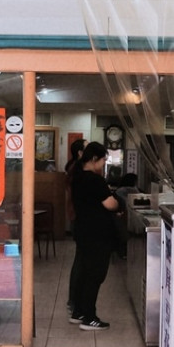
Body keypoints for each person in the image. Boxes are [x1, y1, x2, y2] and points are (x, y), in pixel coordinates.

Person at [70, 141, 120, 331]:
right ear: (93, 159)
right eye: (103, 160)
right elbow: (110, 204)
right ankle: (89, 318)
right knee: (95, 275)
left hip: (82, 230)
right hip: (97, 234)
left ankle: (78, 312)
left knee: (84, 272)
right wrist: (118, 204)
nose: (103, 164)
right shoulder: (95, 180)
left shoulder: (77, 177)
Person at [64, 138, 87, 315]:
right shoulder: (77, 171)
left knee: (80, 259)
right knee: (80, 260)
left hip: (76, 217)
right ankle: (74, 300)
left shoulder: (73, 168)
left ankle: (74, 299)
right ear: (80, 153)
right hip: (79, 218)